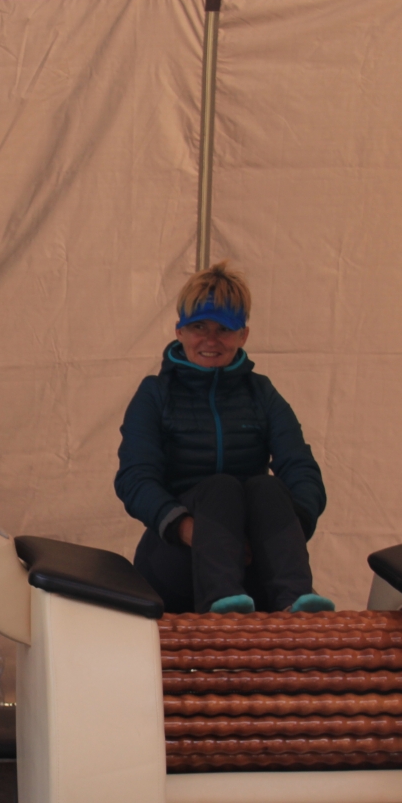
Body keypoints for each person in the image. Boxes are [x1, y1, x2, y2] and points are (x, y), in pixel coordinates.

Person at [115, 262, 331, 615]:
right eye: (199, 327)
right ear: (180, 331)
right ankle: (222, 603)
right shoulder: (155, 394)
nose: (211, 340)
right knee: (221, 488)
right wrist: (191, 532)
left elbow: (302, 469)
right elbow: (135, 479)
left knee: (268, 489)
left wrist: (280, 535)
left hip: (250, 560)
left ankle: (296, 602)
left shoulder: (261, 393)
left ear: (243, 335)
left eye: (224, 329)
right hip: (179, 556)